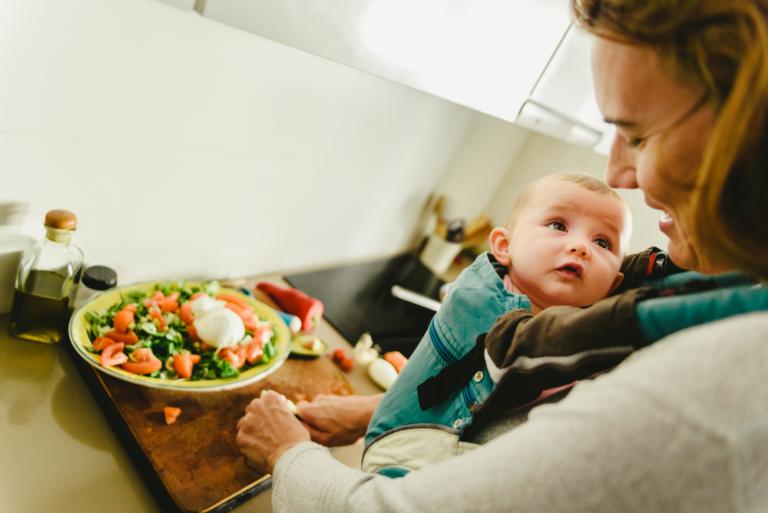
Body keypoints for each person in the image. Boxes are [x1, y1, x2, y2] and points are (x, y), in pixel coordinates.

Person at [236, 1, 768, 511]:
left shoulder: (725, 380)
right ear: (503, 246)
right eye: (557, 225)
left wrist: (288, 453)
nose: (618, 174)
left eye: (639, 134)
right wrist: (388, 409)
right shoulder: (691, 298)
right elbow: (529, 425)